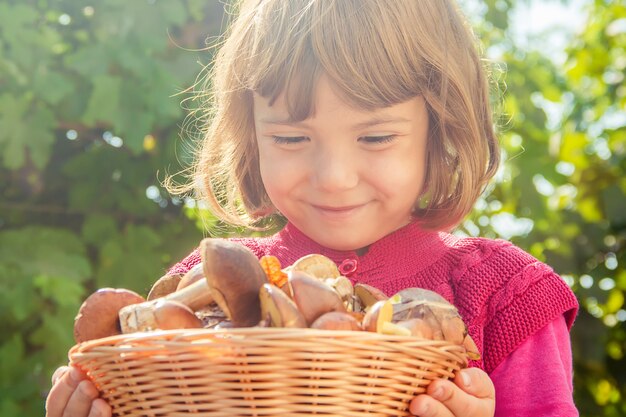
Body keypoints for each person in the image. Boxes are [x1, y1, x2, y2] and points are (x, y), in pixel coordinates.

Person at [45, 0, 580, 416]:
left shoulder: (506, 297)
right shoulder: (200, 290)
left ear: (440, 131)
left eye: (374, 138)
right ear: (252, 137)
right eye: (292, 140)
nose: (333, 178)